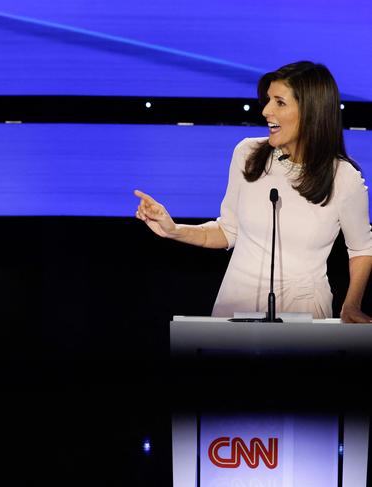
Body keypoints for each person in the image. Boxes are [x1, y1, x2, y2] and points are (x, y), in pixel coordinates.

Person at [134, 61, 372, 322]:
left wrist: (351, 305)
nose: (266, 111)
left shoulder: (344, 178)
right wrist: (174, 230)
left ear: (311, 111)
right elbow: (228, 231)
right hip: (235, 304)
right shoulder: (247, 154)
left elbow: (362, 250)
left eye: (279, 102)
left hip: (303, 311)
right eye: (268, 100)